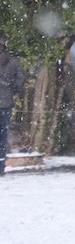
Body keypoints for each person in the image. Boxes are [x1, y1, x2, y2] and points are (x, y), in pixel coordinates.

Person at [0, 32, 23, 176]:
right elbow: (19, 81)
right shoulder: (13, 61)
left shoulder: (13, 61)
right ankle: (1, 165)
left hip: (5, 103)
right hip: (5, 103)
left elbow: (19, 80)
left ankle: (1, 165)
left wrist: (12, 88)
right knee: (2, 137)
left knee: (2, 136)